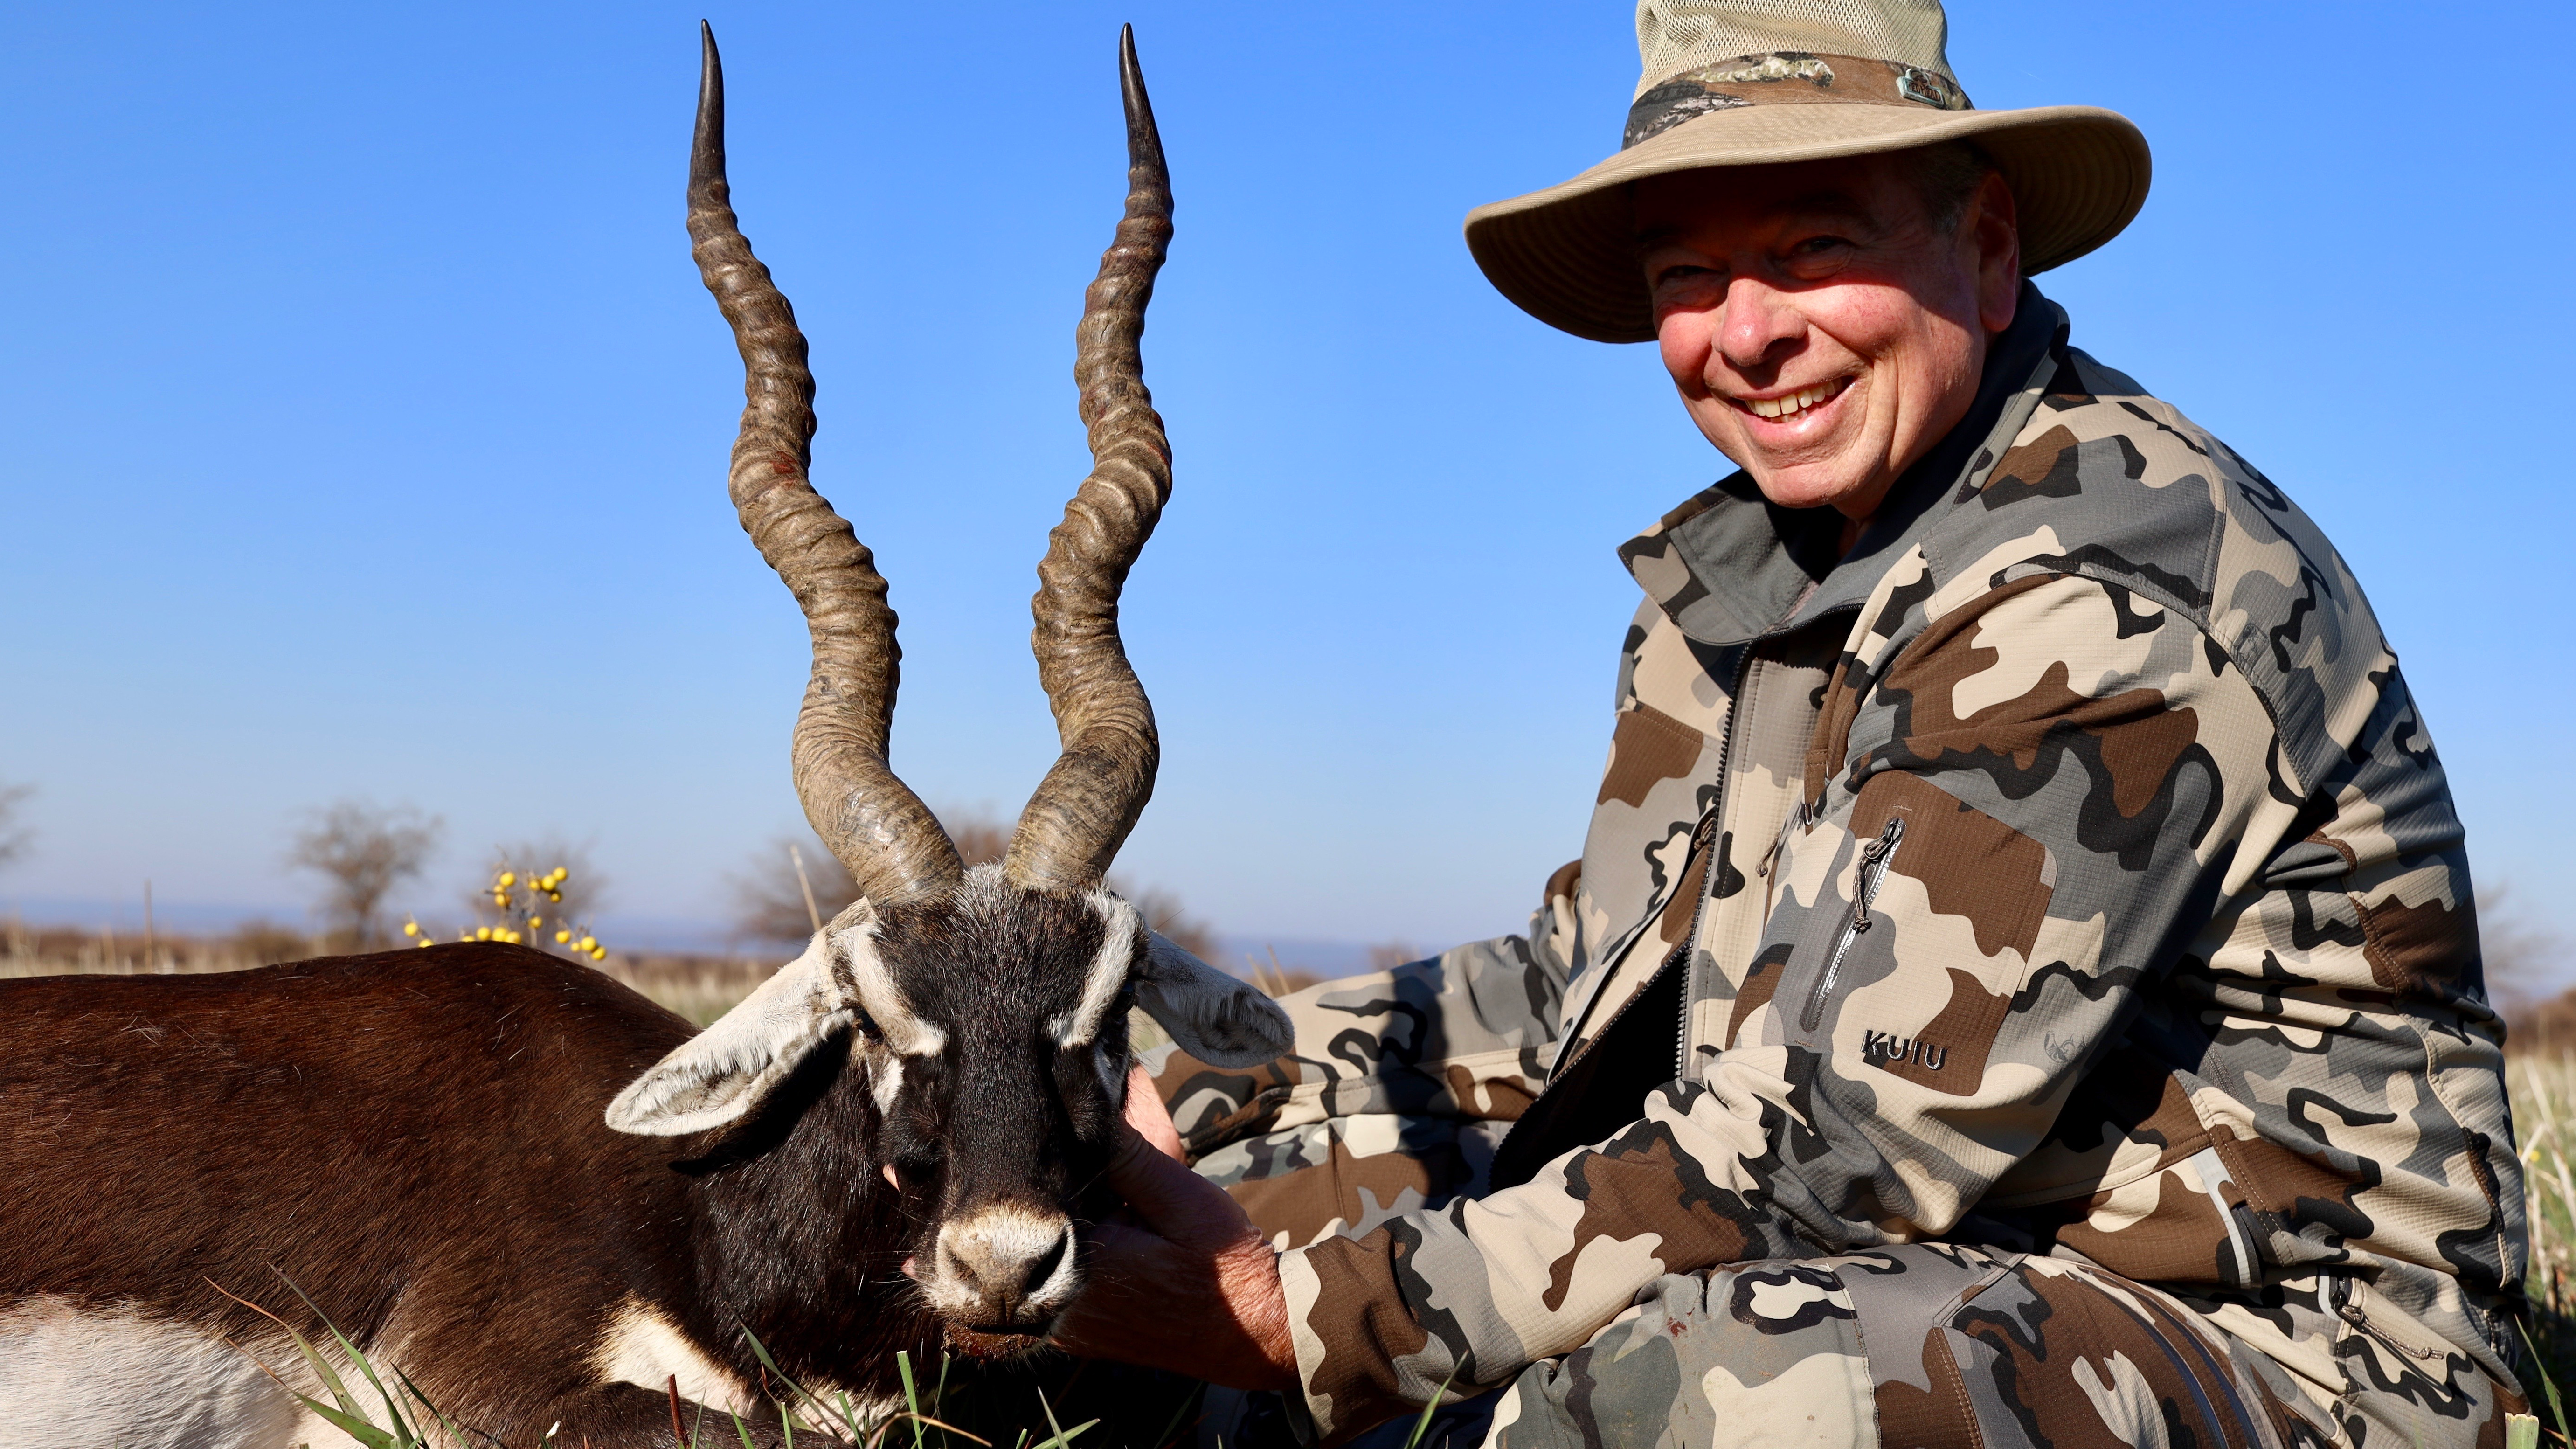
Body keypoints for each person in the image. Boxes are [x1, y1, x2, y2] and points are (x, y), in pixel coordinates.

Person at [1052, 3, 2529, 1446]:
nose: (1745, 335)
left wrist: (1300, 1320)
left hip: (2285, 1352)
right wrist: (1164, 1084)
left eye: (1814, 247)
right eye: (1686, 272)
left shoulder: (2098, 589)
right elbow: (1580, 991)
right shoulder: (1737, 589)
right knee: (1283, 1174)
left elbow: (1829, 1150)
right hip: (1927, 1256)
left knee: (1717, 1375)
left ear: (1989, 249)